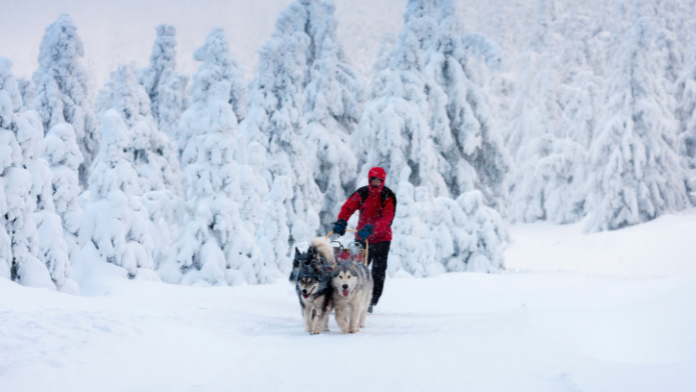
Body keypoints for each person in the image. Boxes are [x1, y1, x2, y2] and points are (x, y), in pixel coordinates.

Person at [332, 167, 396, 314]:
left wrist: (372, 228)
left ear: (383, 180)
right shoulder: (362, 193)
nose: (375, 182)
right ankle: (350, 298)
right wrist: (342, 221)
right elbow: (348, 207)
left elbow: (387, 218)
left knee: (378, 272)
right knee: (355, 270)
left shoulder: (388, 196)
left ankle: (370, 302)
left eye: (379, 180)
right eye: (373, 179)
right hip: (362, 238)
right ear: (369, 179)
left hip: (382, 239)